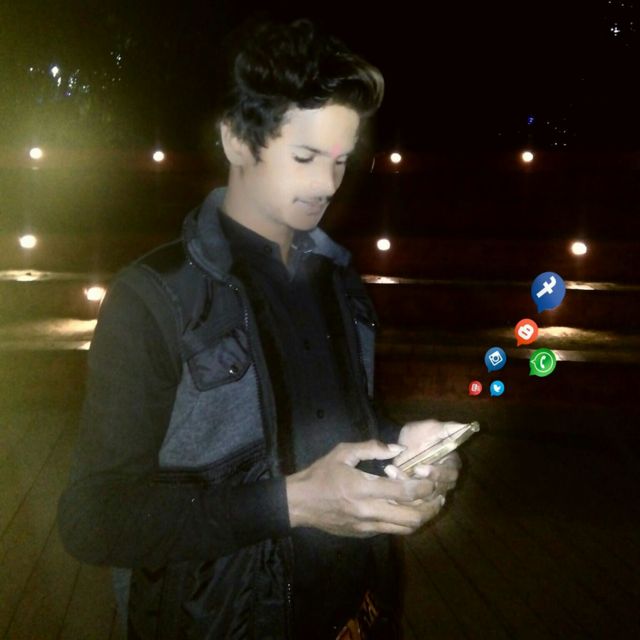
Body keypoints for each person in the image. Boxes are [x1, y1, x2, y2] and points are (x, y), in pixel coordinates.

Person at [58, 16, 463, 640]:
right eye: (305, 157)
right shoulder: (154, 298)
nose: (328, 185)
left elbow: (339, 431)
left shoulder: (339, 281)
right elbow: (94, 518)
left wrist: (403, 445)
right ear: (236, 141)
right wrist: (292, 503)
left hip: (359, 614)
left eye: (341, 161)